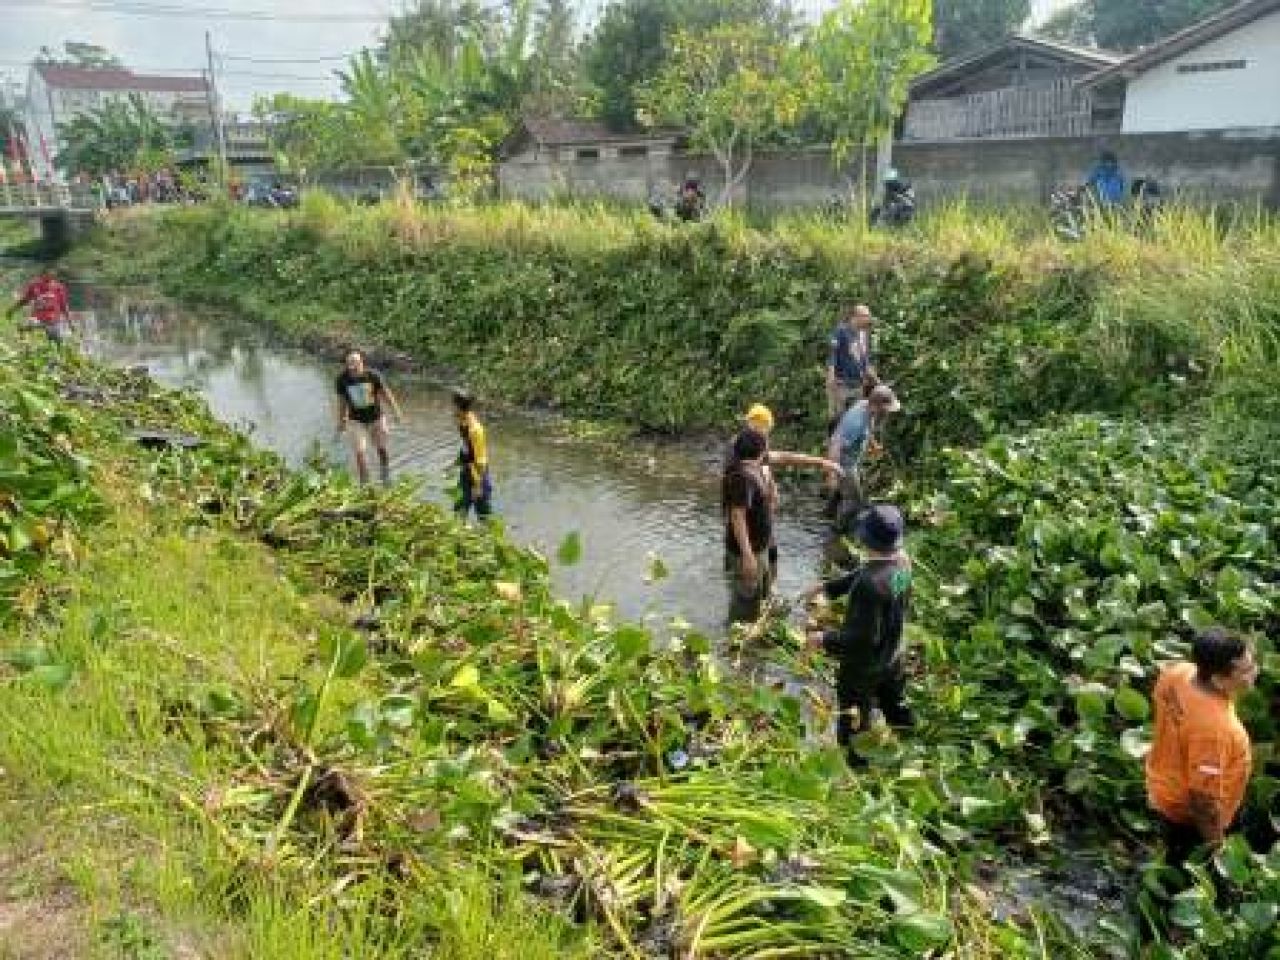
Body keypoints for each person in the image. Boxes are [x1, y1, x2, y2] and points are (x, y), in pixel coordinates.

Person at [805, 504, 914, 764]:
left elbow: (861, 639)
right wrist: (828, 588)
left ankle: (857, 766)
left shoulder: (869, 586)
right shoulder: (902, 563)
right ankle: (910, 745)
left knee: (855, 722)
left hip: (863, 669)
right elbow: (867, 571)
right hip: (893, 654)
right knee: (895, 705)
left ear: (864, 538)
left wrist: (823, 638)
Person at [1146, 628, 1257, 864]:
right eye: (1246, 670)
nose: (1255, 671)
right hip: (1188, 817)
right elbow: (1203, 801)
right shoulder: (1215, 730)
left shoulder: (1177, 673)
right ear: (1218, 678)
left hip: (1162, 788)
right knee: (1186, 877)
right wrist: (1217, 849)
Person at [737, 403, 843, 575]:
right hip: (750, 533)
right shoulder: (742, 454)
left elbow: (778, 459)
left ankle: (769, 588)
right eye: (764, 431)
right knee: (749, 586)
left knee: (770, 562)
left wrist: (771, 485)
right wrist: (747, 553)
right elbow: (737, 514)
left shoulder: (753, 446)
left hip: (763, 524)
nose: (766, 436)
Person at [828, 384, 901, 534]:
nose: (888, 413)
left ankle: (829, 515)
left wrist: (873, 445)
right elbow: (835, 444)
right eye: (886, 409)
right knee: (854, 500)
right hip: (843, 462)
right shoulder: (856, 422)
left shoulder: (866, 406)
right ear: (876, 406)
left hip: (851, 460)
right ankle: (837, 532)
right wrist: (832, 473)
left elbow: (868, 429)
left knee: (841, 494)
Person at [722, 427, 773, 624]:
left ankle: (752, 632)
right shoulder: (743, 477)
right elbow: (737, 515)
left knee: (756, 596)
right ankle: (734, 646)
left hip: (758, 547)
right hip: (749, 551)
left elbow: (784, 457)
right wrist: (748, 555)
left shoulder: (750, 468)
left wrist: (823, 463)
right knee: (744, 607)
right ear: (761, 450)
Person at [334, 349, 403, 486]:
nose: (352, 366)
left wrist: (396, 411)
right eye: (349, 363)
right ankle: (365, 484)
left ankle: (385, 475)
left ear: (362, 362)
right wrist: (341, 421)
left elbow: (386, 395)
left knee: (381, 448)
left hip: (376, 417)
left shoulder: (373, 376)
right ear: (346, 364)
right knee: (360, 452)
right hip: (356, 420)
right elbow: (342, 402)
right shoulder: (342, 380)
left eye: (355, 363)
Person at [826, 305, 875, 425]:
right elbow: (832, 355)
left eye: (869, 316)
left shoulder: (863, 335)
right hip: (841, 383)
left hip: (858, 384)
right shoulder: (841, 331)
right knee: (838, 418)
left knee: (855, 417)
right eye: (866, 316)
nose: (869, 319)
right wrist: (831, 377)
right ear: (856, 317)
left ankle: (851, 443)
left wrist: (876, 380)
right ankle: (833, 442)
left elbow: (865, 361)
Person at [452, 389, 493, 519]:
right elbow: (466, 447)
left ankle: (491, 537)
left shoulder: (476, 430)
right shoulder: (462, 421)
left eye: (453, 405)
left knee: (483, 514)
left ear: (458, 406)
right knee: (459, 509)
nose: (451, 408)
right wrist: (456, 463)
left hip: (477, 475)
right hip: (466, 471)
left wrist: (478, 485)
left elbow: (480, 460)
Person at [9, 267, 72, 345]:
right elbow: (25, 300)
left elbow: (64, 306)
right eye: (47, 275)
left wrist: (70, 322)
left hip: (53, 320)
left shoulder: (58, 288)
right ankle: (24, 346)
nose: (49, 278)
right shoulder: (35, 286)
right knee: (24, 328)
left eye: (52, 275)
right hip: (38, 318)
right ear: (42, 275)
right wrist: (12, 309)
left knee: (58, 342)